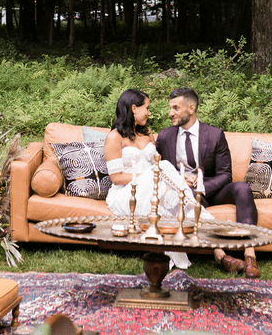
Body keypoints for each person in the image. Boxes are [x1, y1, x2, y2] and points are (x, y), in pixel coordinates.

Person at [156, 87, 261, 278]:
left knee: (242, 188)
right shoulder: (164, 137)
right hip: (186, 194)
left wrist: (200, 185)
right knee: (186, 202)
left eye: (175, 108)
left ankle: (249, 254)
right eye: (170, 108)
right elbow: (157, 171)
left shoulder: (214, 135)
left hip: (212, 188)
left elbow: (225, 174)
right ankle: (221, 256)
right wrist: (182, 183)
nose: (170, 113)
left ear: (191, 108)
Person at [103, 88, 206, 269]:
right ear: (134, 108)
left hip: (152, 189)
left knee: (170, 192)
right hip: (127, 193)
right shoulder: (114, 137)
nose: (149, 113)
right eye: (147, 108)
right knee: (163, 169)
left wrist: (177, 177)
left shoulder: (147, 133)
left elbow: (157, 164)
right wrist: (149, 176)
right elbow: (116, 177)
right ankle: (195, 208)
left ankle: (205, 225)